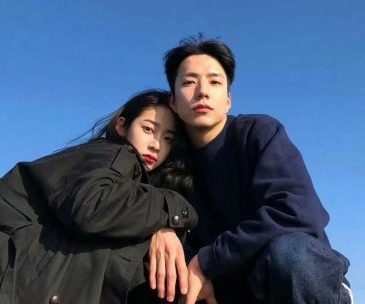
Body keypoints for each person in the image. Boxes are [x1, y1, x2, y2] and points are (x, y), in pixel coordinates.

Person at [149, 36, 353, 303]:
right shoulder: (167, 161)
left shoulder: (259, 132)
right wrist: (160, 227)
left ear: (228, 100)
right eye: (189, 82)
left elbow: (297, 212)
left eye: (214, 82)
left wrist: (207, 261)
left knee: (289, 252)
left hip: (291, 281)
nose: (202, 92)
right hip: (229, 290)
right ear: (174, 103)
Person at [0, 89, 198, 304]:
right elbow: (93, 206)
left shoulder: (113, 175)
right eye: (148, 129)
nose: (156, 145)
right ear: (121, 127)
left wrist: (162, 223)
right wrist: (174, 208)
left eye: (168, 139)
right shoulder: (116, 154)